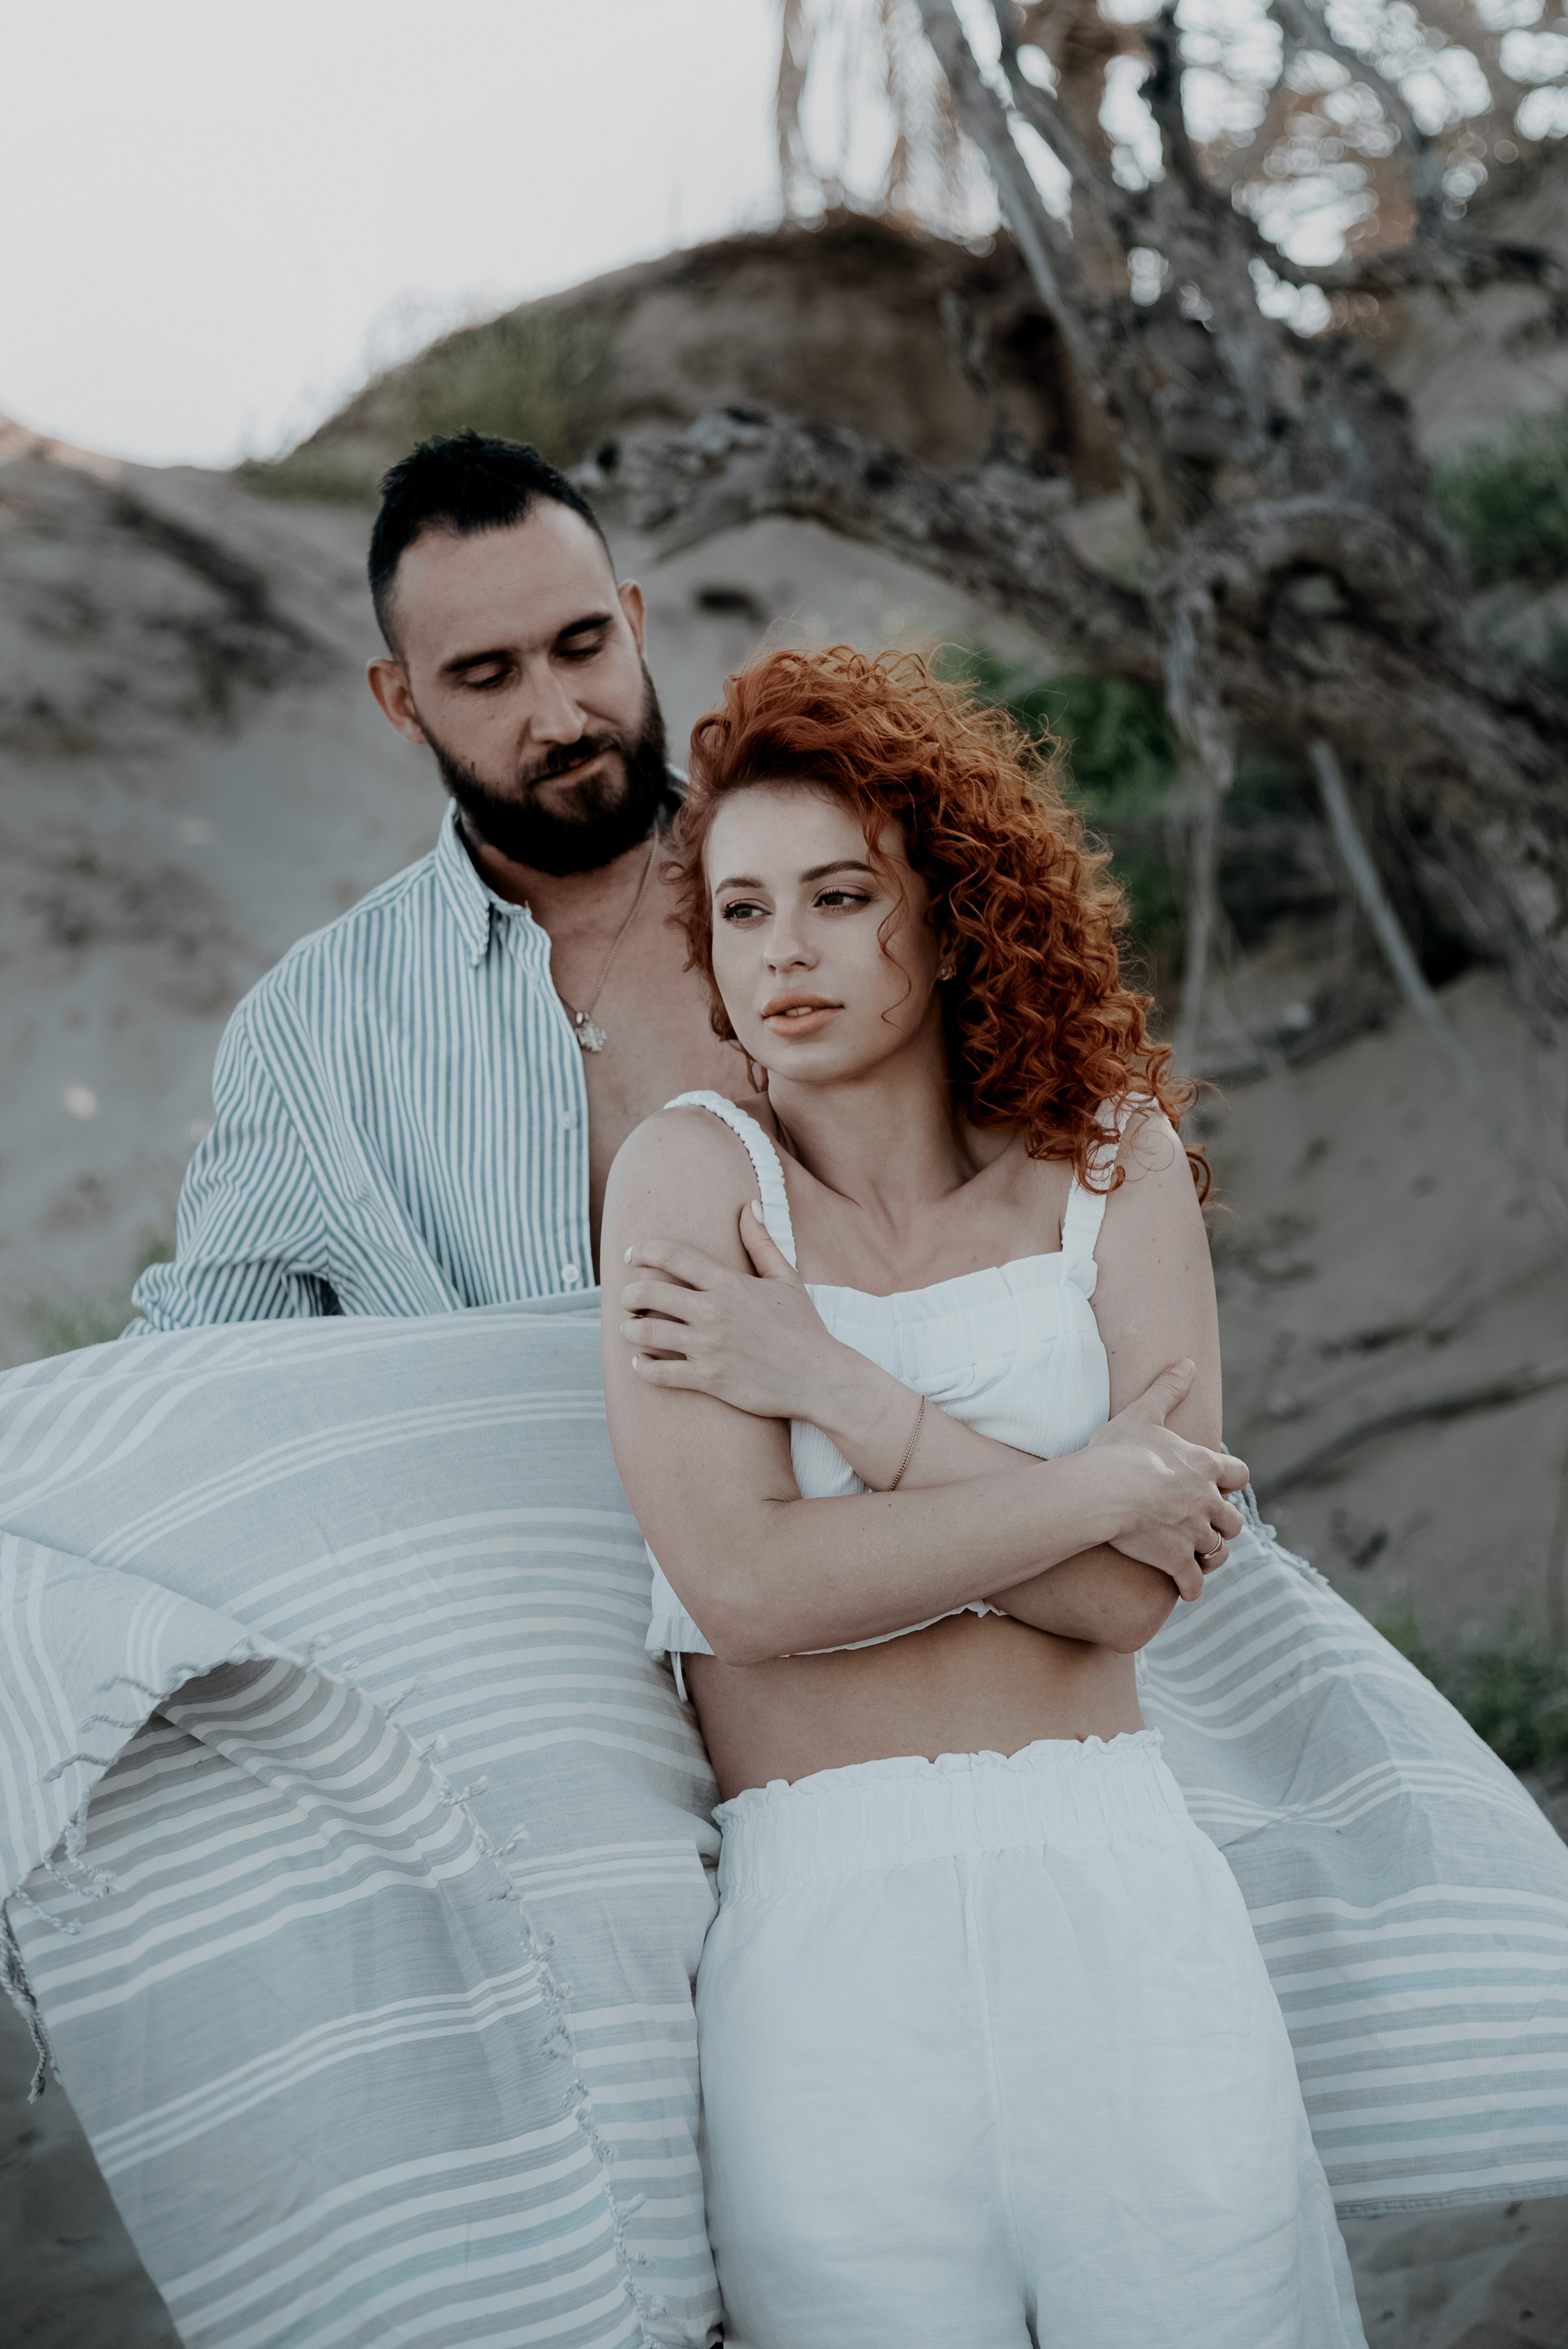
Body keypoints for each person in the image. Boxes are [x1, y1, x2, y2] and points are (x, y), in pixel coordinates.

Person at [600, 645, 1367, 2347]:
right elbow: (749, 1587)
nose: (783, 950)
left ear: (948, 912)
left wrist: (835, 1389)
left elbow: (1129, 1599)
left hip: (1120, 1887)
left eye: (838, 894)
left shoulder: (1112, 1157)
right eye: (739, 912)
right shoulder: (687, 1182)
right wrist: (1092, 1483)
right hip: (827, 1942)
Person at [130, 430, 741, 1330]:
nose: (561, 718)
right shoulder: (312, 1032)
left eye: (582, 646)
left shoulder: (834, 897)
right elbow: (204, 1364)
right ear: (402, 703)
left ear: (634, 622)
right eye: (489, 677)